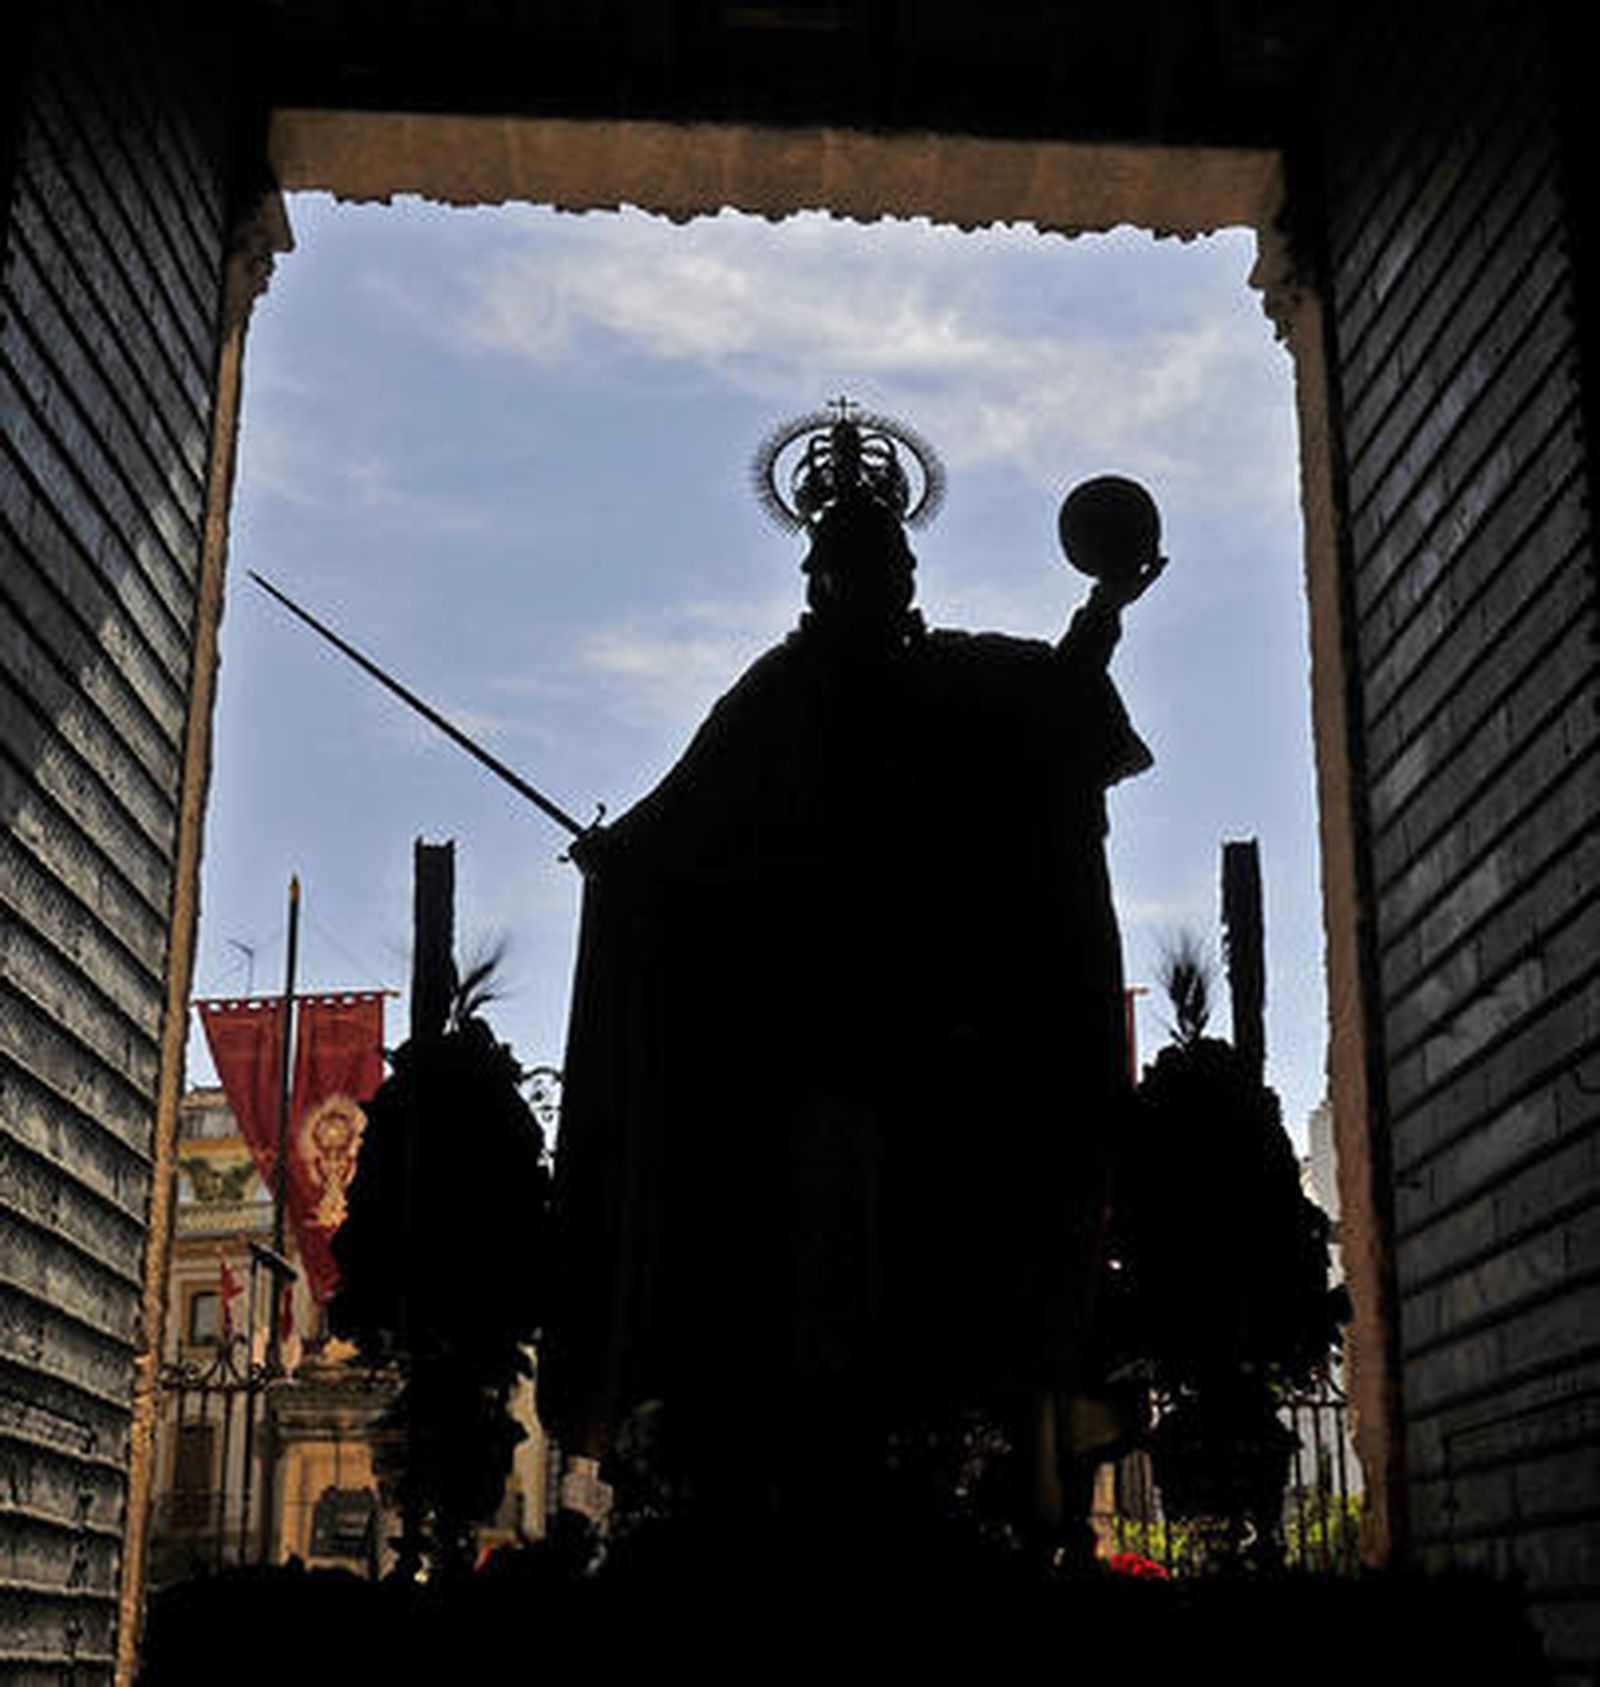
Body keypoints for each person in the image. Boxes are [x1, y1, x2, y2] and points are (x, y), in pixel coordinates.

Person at [542, 416, 1163, 1548]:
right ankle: (802, 1466)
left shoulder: (954, 679)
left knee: (941, 1264)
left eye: (892, 562)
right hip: (806, 1046)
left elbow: (1050, 710)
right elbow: (684, 815)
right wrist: (622, 863)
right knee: (812, 1268)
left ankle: (949, 1461)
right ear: (818, 575)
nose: (879, 580)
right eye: (852, 563)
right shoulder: (775, 695)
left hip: (940, 1037)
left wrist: (1107, 609)